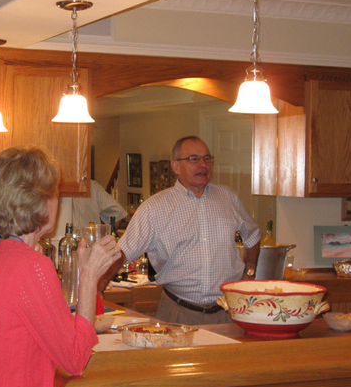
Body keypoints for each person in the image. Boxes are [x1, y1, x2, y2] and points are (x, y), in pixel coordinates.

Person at [0, 145, 121, 387]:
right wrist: (89, 276)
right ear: (40, 202)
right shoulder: (32, 265)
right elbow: (74, 359)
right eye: (55, 193)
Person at [105, 136, 260, 325]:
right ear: (175, 167)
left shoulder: (229, 199)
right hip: (178, 313)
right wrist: (96, 287)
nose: (203, 164)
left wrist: (249, 272)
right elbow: (122, 253)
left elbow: (253, 235)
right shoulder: (155, 208)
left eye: (207, 158)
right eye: (194, 159)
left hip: (228, 313)